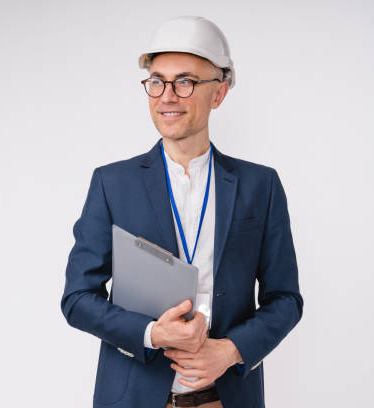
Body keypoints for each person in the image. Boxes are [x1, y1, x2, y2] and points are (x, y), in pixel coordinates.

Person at [60, 16, 303, 408]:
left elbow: (285, 299)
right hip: (134, 397)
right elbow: (78, 297)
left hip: (226, 398)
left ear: (219, 93)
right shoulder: (111, 183)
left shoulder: (261, 186)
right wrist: (152, 333)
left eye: (185, 82)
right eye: (156, 81)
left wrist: (231, 350)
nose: (166, 96)